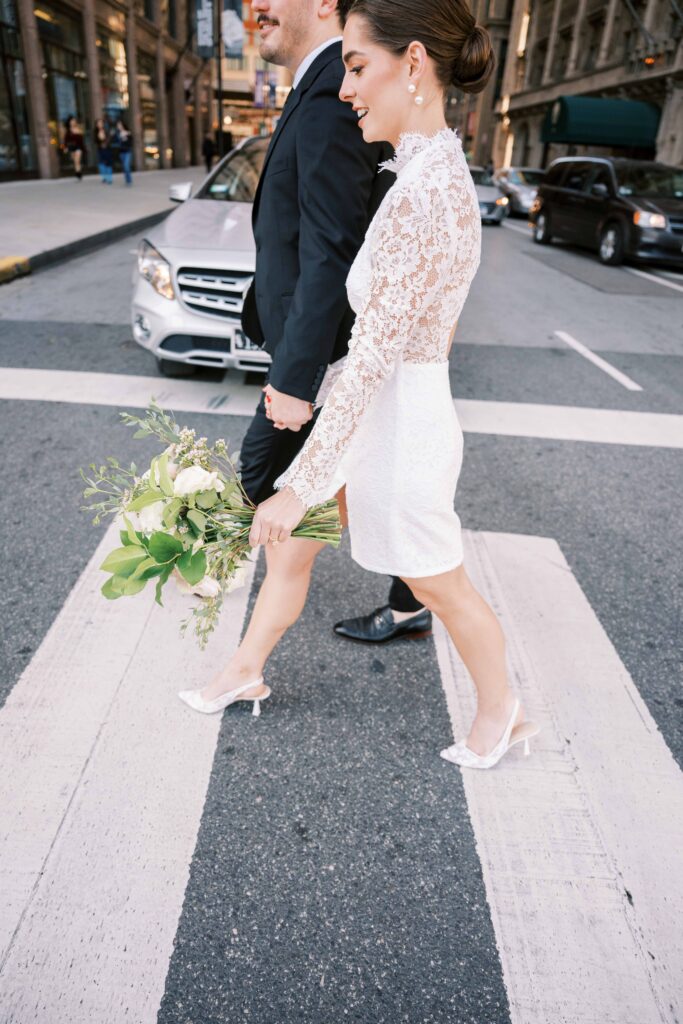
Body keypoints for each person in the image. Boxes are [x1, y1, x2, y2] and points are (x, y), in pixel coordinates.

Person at [179, 0, 540, 770]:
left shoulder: (427, 192)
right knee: (297, 551)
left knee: (439, 584)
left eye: (356, 67)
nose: (345, 91)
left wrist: (297, 485)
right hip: (378, 413)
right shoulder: (419, 173)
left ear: (412, 64)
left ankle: (501, 711)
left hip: (399, 428)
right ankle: (242, 670)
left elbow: (375, 358)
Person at [94, 118, 113, 184]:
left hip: (107, 149)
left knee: (108, 163)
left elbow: (110, 138)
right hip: (100, 149)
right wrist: (100, 142)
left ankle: (109, 178)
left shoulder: (106, 130)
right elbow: (95, 141)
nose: (100, 124)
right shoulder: (95, 132)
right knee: (101, 164)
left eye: (101, 123)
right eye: (98, 123)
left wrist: (106, 143)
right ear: (96, 125)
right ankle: (104, 177)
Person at [115, 119, 133, 185]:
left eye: (120, 125)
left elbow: (130, 142)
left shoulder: (128, 132)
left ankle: (129, 180)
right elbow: (116, 143)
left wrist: (126, 138)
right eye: (118, 125)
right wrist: (121, 139)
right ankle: (127, 180)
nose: (119, 126)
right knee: (124, 167)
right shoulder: (117, 134)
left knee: (126, 166)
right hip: (121, 152)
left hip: (127, 151)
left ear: (123, 125)